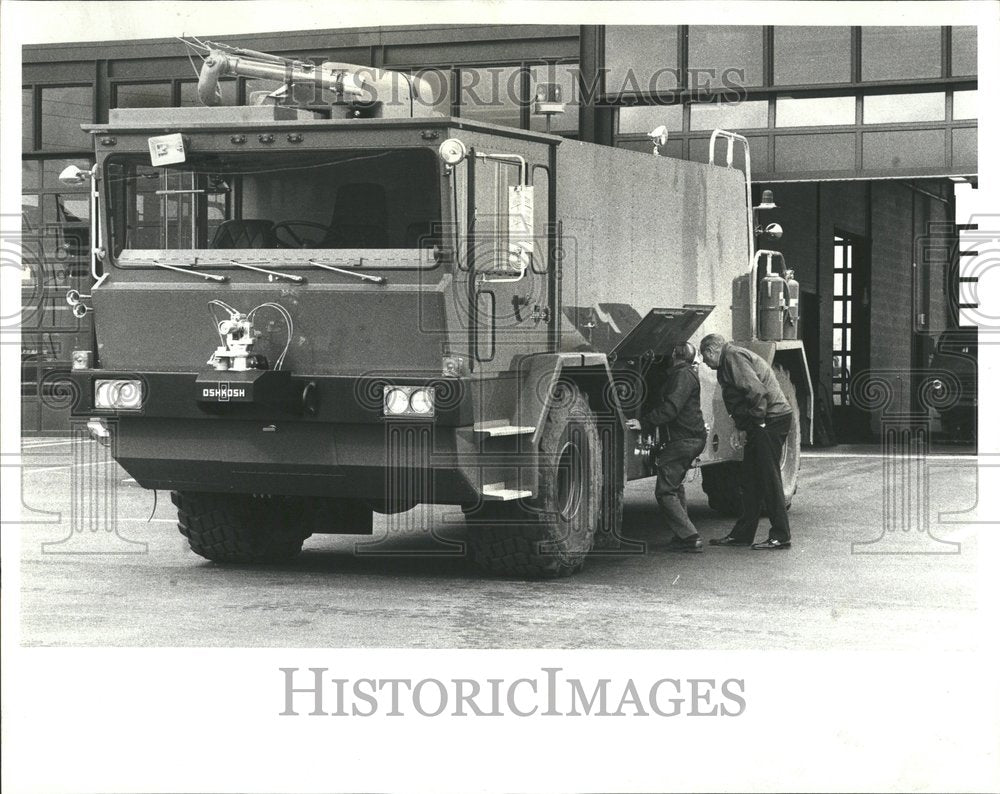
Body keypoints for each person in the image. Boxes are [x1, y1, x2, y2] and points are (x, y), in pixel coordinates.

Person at [699, 333, 793, 550]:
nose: (705, 362)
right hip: (766, 420)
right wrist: (746, 426)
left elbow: (756, 390)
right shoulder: (730, 358)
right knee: (751, 478)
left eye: (705, 356)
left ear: (713, 351)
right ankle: (742, 534)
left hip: (770, 420)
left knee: (768, 478)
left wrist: (758, 423)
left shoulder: (733, 357)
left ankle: (781, 535)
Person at [627, 341, 707, 552]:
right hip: (690, 439)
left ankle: (690, 536)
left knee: (665, 491)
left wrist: (643, 422)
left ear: (676, 357)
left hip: (683, 440)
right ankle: (683, 534)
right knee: (675, 485)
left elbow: (671, 409)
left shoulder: (682, 376)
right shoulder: (688, 373)